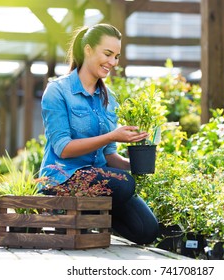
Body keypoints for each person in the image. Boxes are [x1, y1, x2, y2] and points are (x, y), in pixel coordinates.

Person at [38, 23, 159, 245]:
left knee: (147, 230)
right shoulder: (58, 91)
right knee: (124, 184)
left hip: (100, 178)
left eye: (117, 56)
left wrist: (137, 162)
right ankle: (85, 216)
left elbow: (109, 156)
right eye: (108, 54)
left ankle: (93, 217)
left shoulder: (108, 98)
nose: (112, 62)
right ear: (88, 50)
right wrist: (111, 136)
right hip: (64, 177)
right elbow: (62, 149)